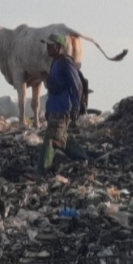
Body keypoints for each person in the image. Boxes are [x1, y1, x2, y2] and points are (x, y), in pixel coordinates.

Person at [37, 33, 89, 172]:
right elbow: (53, 91)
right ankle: (85, 157)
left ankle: (42, 171)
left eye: (51, 45)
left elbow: (77, 85)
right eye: (47, 45)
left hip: (63, 109)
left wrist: (76, 107)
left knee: (52, 139)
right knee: (62, 138)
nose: (48, 48)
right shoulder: (55, 64)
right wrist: (48, 109)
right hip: (55, 109)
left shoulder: (65, 63)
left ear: (59, 47)